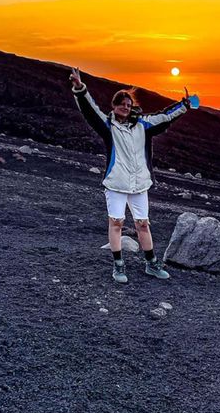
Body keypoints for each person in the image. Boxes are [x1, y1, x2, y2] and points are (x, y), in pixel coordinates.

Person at [69, 66, 194, 283]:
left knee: (143, 224)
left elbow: (165, 117)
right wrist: (80, 89)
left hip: (139, 185)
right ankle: (118, 266)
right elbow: (90, 111)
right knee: (116, 223)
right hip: (116, 183)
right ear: (114, 106)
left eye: (129, 105)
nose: (126, 107)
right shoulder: (108, 126)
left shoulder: (143, 125)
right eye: (122, 104)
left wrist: (183, 105)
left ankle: (151, 264)